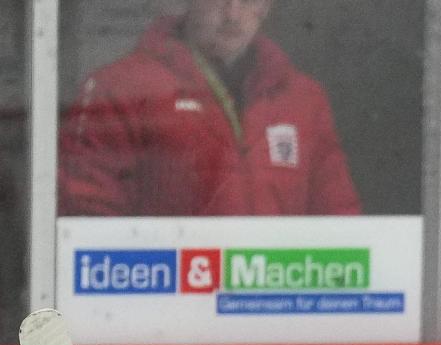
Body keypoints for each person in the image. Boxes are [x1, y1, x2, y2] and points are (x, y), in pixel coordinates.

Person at [59, 0, 360, 217]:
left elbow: (340, 219)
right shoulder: (120, 88)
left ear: (266, 6)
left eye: (247, 1)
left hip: (274, 297)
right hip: (168, 296)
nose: (232, 14)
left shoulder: (302, 99)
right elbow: (85, 219)